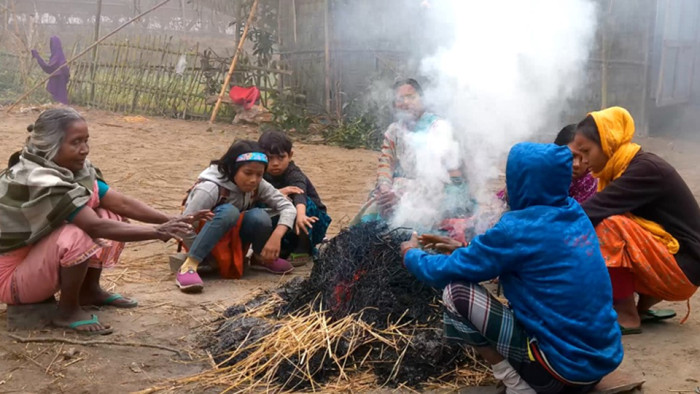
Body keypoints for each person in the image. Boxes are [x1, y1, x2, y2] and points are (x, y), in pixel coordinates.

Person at [401, 142, 623, 393]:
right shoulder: (574, 213)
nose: (507, 188)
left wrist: (411, 254)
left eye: (512, 179)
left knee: (455, 294)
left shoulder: (517, 228)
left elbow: (444, 272)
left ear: (525, 182)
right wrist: (462, 246)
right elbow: (528, 257)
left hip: (559, 375)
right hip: (597, 367)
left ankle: (518, 384)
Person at [0, 108, 206, 335]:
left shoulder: (70, 171)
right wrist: (157, 231)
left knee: (110, 214)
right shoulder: (39, 178)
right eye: (76, 142)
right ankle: (67, 311)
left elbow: (121, 203)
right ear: (50, 146)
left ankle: (89, 290)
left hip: (31, 262)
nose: (85, 150)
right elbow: (94, 227)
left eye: (86, 141)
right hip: (10, 278)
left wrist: (173, 220)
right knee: (77, 234)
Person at [573, 106, 700, 334]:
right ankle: (642, 305)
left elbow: (590, 211)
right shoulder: (623, 168)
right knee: (611, 224)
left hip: (685, 271)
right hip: (680, 264)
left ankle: (627, 316)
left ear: (608, 141)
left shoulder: (644, 170)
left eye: (586, 151)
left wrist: (539, 228)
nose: (582, 161)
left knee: (609, 225)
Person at [176, 140, 297, 293]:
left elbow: (287, 207)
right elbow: (183, 226)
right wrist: (204, 255)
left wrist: (277, 236)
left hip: (231, 238)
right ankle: (189, 265)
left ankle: (260, 258)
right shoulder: (210, 188)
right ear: (232, 169)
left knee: (259, 216)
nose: (253, 179)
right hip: (203, 240)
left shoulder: (258, 184)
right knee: (229, 211)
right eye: (248, 173)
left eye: (259, 174)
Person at [351, 78, 463, 225]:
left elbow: (446, 180)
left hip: (438, 193)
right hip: (400, 190)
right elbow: (386, 164)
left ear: (422, 99)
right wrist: (385, 190)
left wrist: (402, 195)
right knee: (377, 204)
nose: (405, 103)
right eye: (400, 99)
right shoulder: (394, 131)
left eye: (411, 97)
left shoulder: (438, 128)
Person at [258, 130, 331, 265]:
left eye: (280, 158)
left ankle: (303, 248)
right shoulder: (258, 172)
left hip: (311, 221)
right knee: (259, 206)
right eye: (269, 158)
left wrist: (301, 214)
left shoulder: (293, 173)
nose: (275, 163)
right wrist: (279, 192)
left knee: (302, 207)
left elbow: (300, 193)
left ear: (290, 155)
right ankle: (280, 247)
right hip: (284, 219)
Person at [497, 124, 597, 204]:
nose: (576, 164)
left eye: (583, 157)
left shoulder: (590, 186)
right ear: (555, 154)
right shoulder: (541, 174)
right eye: (571, 156)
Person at [31, 36, 70, 105]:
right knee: (58, 99)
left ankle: (61, 108)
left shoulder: (58, 55)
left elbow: (50, 67)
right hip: (57, 77)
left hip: (60, 79)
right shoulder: (55, 54)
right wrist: (37, 57)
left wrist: (37, 56)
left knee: (61, 97)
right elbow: (49, 68)